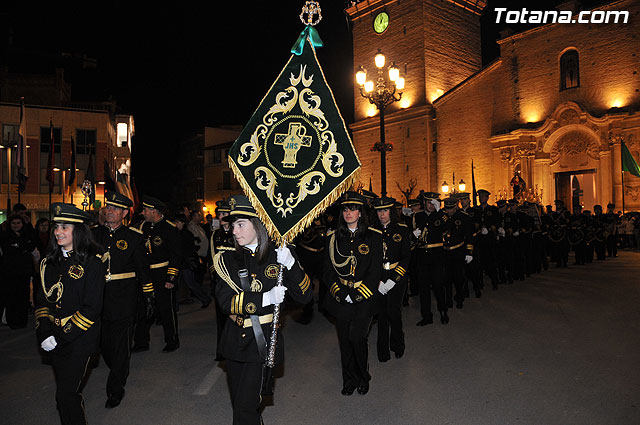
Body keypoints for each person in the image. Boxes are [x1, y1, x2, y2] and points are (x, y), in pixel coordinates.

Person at [213, 194, 311, 425]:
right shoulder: (226, 259)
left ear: (257, 225)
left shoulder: (280, 254)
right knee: (242, 404)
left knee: (245, 408)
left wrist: (292, 265)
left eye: (240, 224)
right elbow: (225, 301)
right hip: (235, 340)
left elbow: (305, 298)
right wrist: (265, 298)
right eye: (232, 225)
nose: (234, 231)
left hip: (264, 341)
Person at [34, 203, 106, 425]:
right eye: (57, 227)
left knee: (66, 394)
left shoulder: (92, 263)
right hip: (52, 337)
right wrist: (44, 332)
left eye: (65, 227)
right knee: (65, 396)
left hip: (79, 339)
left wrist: (62, 336)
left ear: (79, 231)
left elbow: (91, 309)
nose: (58, 232)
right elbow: (42, 300)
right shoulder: (49, 263)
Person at [92, 191, 155, 408]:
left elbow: (143, 270)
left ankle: (115, 390)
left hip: (124, 300)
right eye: (108, 208)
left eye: (115, 209)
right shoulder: (92, 236)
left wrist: (149, 296)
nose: (110, 211)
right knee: (104, 346)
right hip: (97, 300)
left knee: (120, 348)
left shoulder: (135, 238)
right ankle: (117, 367)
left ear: (125, 213)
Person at [323, 191, 382, 395]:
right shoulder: (333, 238)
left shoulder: (373, 237)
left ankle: (363, 377)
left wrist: (358, 294)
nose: (349, 212)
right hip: (341, 296)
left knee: (357, 338)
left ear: (360, 212)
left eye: (353, 208)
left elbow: (375, 271)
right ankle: (349, 380)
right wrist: (339, 292)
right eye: (346, 209)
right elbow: (328, 271)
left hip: (363, 298)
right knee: (345, 342)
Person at [132, 195, 181, 353]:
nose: (143, 213)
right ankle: (141, 342)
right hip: (146, 274)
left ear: (154, 211)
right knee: (142, 308)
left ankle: (172, 340)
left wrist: (171, 277)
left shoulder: (168, 228)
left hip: (162, 273)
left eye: (146, 210)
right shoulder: (143, 227)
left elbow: (176, 255)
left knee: (166, 308)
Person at [371, 196, 410, 362]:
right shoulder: (371, 231)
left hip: (396, 277)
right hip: (378, 279)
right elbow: (369, 260)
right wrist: (377, 280)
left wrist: (394, 279)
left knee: (394, 313)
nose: (382, 214)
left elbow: (406, 257)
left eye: (385, 210)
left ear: (391, 211)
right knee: (381, 315)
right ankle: (382, 351)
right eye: (379, 211)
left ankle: (398, 345)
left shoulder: (401, 229)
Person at [413, 192, 448, 325]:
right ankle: (427, 316)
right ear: (424, 203)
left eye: (434, 203)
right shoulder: (418, 216)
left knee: (439, 286)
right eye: (429, 203)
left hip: (437, 256)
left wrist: (440, 212)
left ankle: (443, 311)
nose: (432, 205)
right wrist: (413, 235)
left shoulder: (440, 215)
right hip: (422, 256)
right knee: (424, 288)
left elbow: (447, 227)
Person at [0, 214, 36, 329]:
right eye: (13, 223)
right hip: (9, 273)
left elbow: (31, 247)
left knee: (23, 297)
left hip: (24, 272)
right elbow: (8, 251)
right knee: (11, 297)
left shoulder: (27, 235)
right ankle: (12, 321)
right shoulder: (5, 237)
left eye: (18, 223)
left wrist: (20, 246)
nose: (16, 225)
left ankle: (22, 321)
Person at [209, 199, 234, 361]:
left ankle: (234, 349)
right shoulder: (215, 234)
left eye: (225, 213)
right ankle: (221, 350)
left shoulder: (236, 232)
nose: (221, 216)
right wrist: (216, 275)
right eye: (220, 213)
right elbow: (212, 256)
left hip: (235, 280)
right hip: (220, 280)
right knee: (221, 317)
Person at [174, 213, 212, 308]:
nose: (176, 224)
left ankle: (205, 298)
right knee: (179, 284)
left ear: (182, 223)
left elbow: (187, 249)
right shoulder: (180, 233)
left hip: (186, 263)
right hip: (183, 262)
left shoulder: (185, 234)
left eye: (177, 222)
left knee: (191, 283)